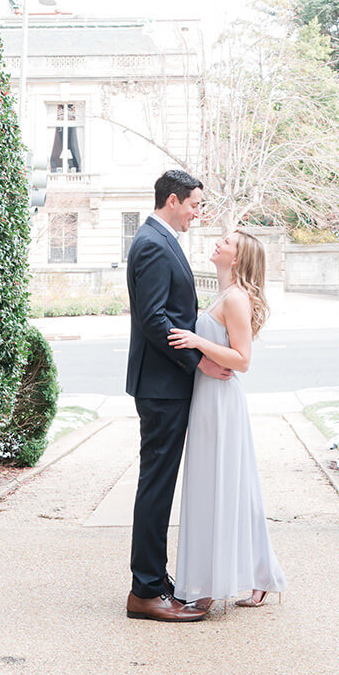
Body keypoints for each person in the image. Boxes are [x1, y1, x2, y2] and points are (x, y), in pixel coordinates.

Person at [125, 168, 231, 622]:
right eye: (194, 204)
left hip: (167, 385)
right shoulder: (151, 243)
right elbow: (154, 319)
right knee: (157, 486)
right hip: (162, 387)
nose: (197, 212)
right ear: (173, 200)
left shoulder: (160, 239)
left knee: (159, 484)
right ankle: (146, 591)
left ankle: (156, 581)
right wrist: (199, 360)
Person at [168, 228, 286, 608]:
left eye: (227, 243)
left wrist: (198, 342)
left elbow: (243, 360)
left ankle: (210, 585)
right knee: (220, 485)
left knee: (221, 485)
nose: (218, 243)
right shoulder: (222, 295)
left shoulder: (236, 299)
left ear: (236, 258)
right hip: (206, 398)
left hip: (221, 401)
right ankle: (255, 574)